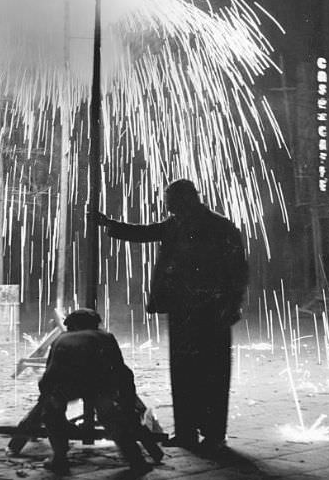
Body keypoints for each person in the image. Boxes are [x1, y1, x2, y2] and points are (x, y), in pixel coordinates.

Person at [96, 178, 248, 457]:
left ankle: (213, 434)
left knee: (212, 373)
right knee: (183, 371)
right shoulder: (176, 223)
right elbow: (146, 232)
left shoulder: (220, 227)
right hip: (182, 308)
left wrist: (232, 303)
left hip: (212, 311)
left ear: (186, 199)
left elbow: (238, 269)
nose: (168, 207)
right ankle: (186, 431)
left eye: (171, 202)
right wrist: (109, 225)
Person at [29, 308, 152, 476]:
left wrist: (46, 398)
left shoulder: (61, 339)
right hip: (99, 384)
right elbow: (121, 370)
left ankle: (60, 458)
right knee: (111, 417)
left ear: (71, 325)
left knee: (51, 414)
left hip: (68, 386)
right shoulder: (106, 337)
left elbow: (50, 374)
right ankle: (136, 461)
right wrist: (127, 403)